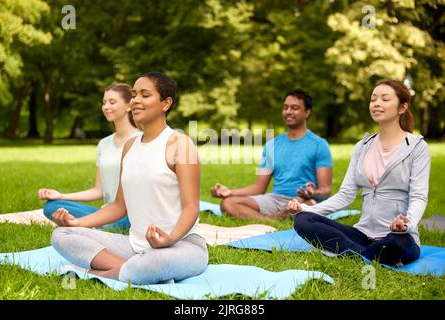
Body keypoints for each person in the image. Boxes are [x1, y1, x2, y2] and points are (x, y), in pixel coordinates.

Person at [50, 72, 208, 285]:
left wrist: (170, 239)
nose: (136, 101)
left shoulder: (181, 144)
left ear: (166, 103)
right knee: (62, 235)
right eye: (134, 95)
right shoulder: (129, 148)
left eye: (145, 95)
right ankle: (133, 271)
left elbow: (191, 208)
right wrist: (78, 223)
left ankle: (90, 273)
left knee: (152, 263)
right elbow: (118, 206)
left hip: (184, 246)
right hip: (135, 247)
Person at [287, 79, 430, 267]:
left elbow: (419, 197)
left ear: (402, 107)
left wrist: (407, 224)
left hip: (397, 236)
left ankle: (353, 253)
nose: (377, 103)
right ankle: (365, 254)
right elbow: (345, 195)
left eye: (385, 99)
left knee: (397, 244)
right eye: (373, 99)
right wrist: (305, 209)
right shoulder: (362, 146)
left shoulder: (417, 147)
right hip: (362, 234)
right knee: (303, 221)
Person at [211, 89, 332, 221]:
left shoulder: (319, 145)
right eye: (286, 107)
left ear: (307, 112)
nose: (288, 112)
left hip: (304, 200)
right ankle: (273, 220)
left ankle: (278, 216)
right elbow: (259, 187)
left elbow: (325, 190)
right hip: (274, 199)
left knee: (308, 206)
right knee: (228, 203)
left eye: (295, 108)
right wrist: (230, 192)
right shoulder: (271, 145)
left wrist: (312, 193)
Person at [37, 83, 141, 230]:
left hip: (132, 215)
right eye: (104, 102)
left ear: (129, 105)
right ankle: (95, 224)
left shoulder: (142, 140)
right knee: (52, 207)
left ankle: (89, 224)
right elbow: (98, 191)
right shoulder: (104, 144)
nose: (106, 107)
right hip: (107, 213)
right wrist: (61, 195)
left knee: (119, 221)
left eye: (112, 102)